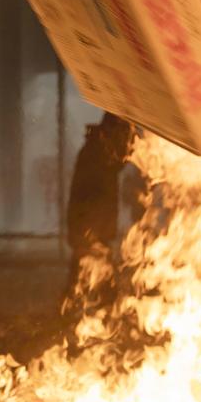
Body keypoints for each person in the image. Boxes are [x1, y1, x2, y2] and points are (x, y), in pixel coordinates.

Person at [65, 113, 133, 300]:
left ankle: (79, 315)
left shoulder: (97, 151)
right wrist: (88, 232)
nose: (127, 142)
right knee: (91, 278)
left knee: (89, 279)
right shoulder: (96, 155)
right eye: (124, 134)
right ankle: (78, 314)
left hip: (93, 232)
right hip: (90, 232)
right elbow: (89, 197)